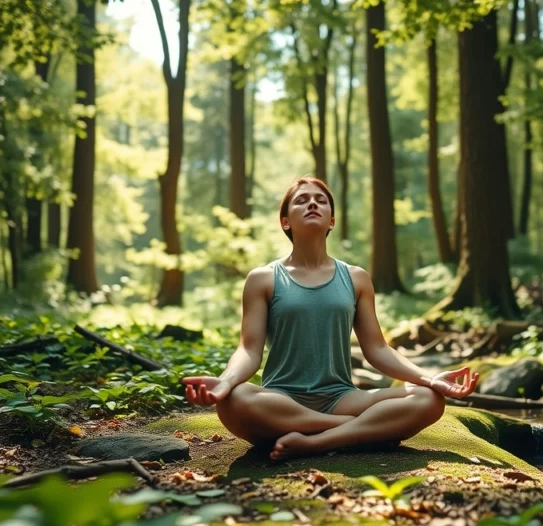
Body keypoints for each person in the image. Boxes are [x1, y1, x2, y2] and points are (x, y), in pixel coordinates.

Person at [182, 177, 478, 460]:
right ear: (285, 221)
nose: (313, 204)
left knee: (428, 399)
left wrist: (429, 378)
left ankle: (316, 442)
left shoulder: (356, 278)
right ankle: (361, 431)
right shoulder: (263, 279)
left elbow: (377, 349)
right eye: (301, 201)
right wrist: (224, 382)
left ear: (332, 220)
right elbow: (248, 350)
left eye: (321, 200)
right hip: (281, 400)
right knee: (233, 401)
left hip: (341, 398)